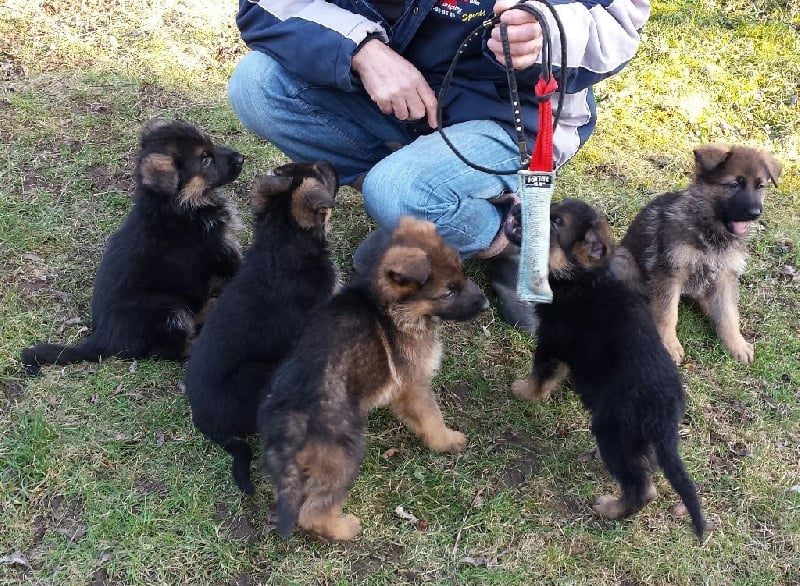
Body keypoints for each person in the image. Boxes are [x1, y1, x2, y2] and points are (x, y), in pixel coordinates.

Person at [227, 0, 651, 333]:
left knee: (397, 191)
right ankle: (422, 195)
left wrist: (548, 32)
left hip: (505, 111)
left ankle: (504, 233)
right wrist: (361, 50)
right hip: (392, 90)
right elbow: (268, 4)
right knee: (258, 86)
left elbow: (619, 21)